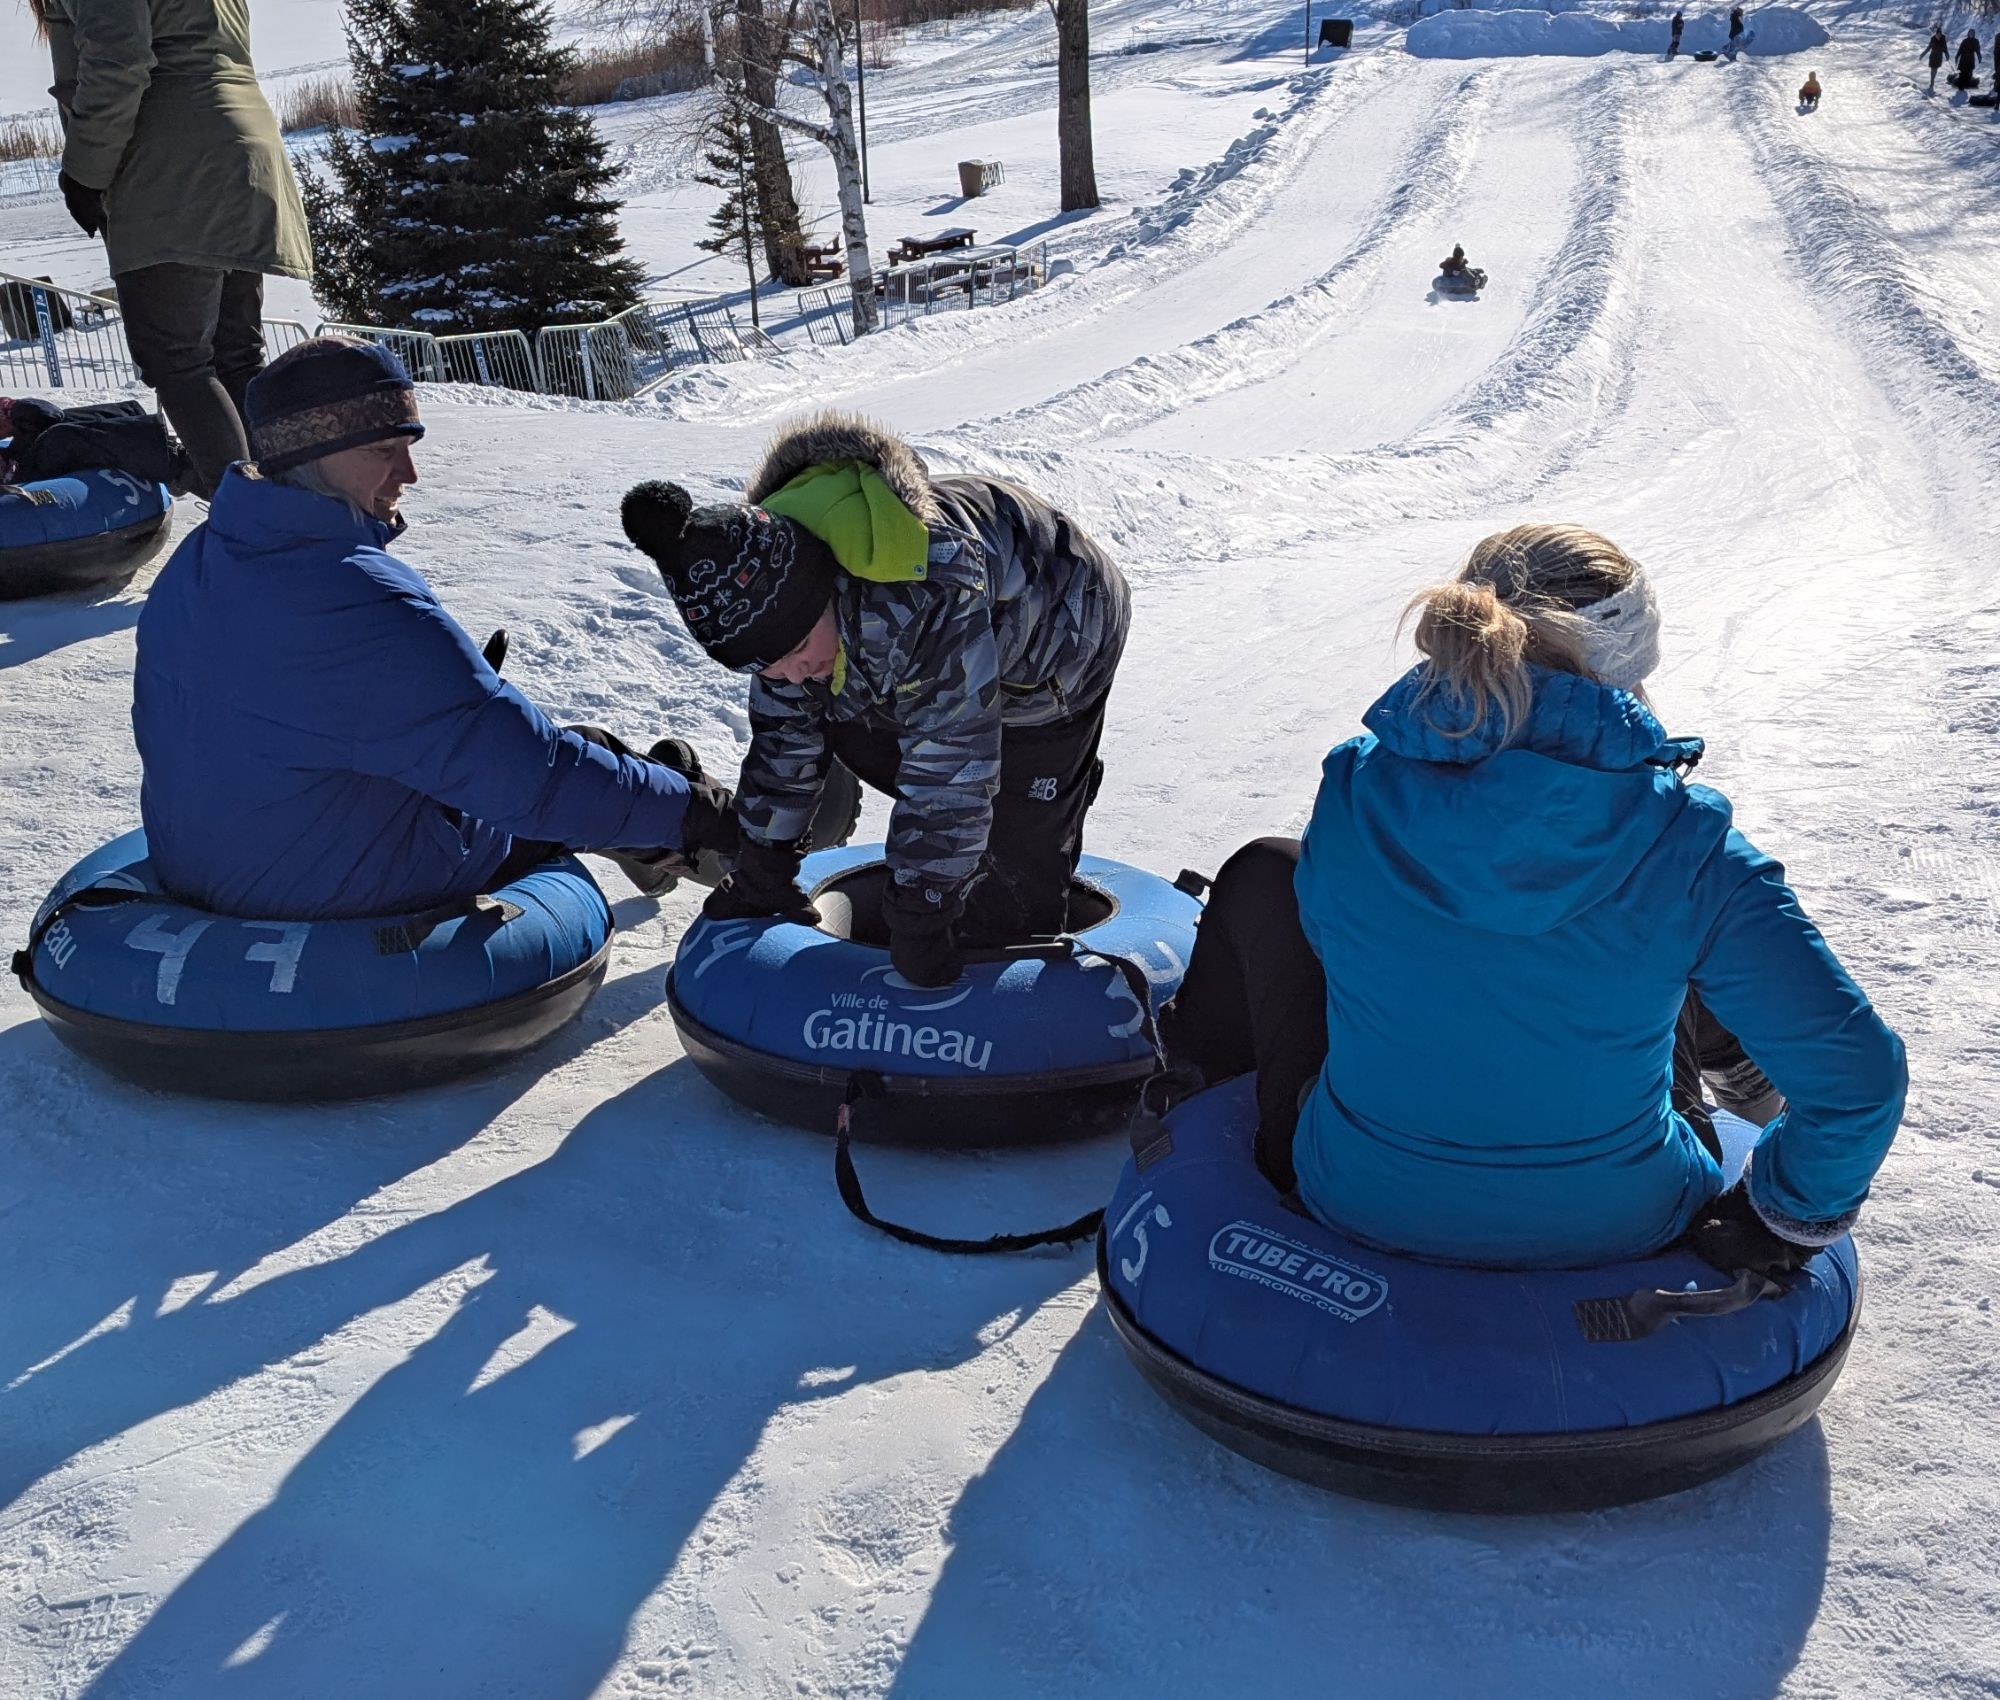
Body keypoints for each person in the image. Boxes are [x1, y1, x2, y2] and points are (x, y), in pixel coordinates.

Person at [1156, 523, 1906, 1275]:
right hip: (1625, 1218)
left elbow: (1327, 940)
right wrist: (1782, 1221)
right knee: (1656, 944)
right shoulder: (1685, 839)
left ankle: (1190, 1086)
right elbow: (1861, 1078)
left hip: (1355, 1192)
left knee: (1268, 872)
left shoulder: (1355, 787)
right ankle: (1740, 1062)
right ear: (1631, 656)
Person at [133, 337, 736, 922]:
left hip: (210, 857)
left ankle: (653, 840)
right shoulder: (360, 599)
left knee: (499, 759)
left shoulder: (198, 560)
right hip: (332, 889)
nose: (410, 473)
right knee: (579, 759)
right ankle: (729, 850)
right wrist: (704, 813)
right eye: (382, 449)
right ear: (309, 453)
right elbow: (532, 776)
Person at [620, 411, 1130, 989]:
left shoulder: (930, 593)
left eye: (794, 649)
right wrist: (764, 865)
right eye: (764, 664)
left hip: (1057, 645)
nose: (787, 671)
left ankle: (1057, 789)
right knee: (826, 715)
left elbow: (949, 768)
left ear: (820, 593)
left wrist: (923, 912)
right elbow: (783, 742)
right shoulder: (770, 600)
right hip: (891, 648)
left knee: (1015, 838)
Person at [33, 0, 311, 500]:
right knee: (235, 358)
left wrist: (85, 170)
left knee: (177, 360)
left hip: (172, 163)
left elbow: (120, 59)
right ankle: (294, 518)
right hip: (241, 150)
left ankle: (254, 529)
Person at [1927, 24, 1950, 92]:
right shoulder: (1933, 39)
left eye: (1940, 34)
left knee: (1935, 69)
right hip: (1933, 56)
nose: (1938, 35)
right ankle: (1932, 81)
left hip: (1939, 57)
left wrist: (1947, 54)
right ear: (1936, 33)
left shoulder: (1943, 39)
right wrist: (1923, 54)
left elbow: (1945, 48)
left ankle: (1932, 79)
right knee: (1932, 69)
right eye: (1937, 34)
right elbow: (1929, 47)